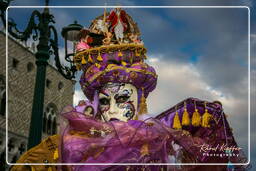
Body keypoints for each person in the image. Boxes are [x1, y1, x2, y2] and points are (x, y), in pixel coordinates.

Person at [12, 8, 248, 171]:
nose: (112, 109)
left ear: (141, 98)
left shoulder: (162, 146)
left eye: (123, 98)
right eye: (104, 101)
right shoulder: (64, 148)